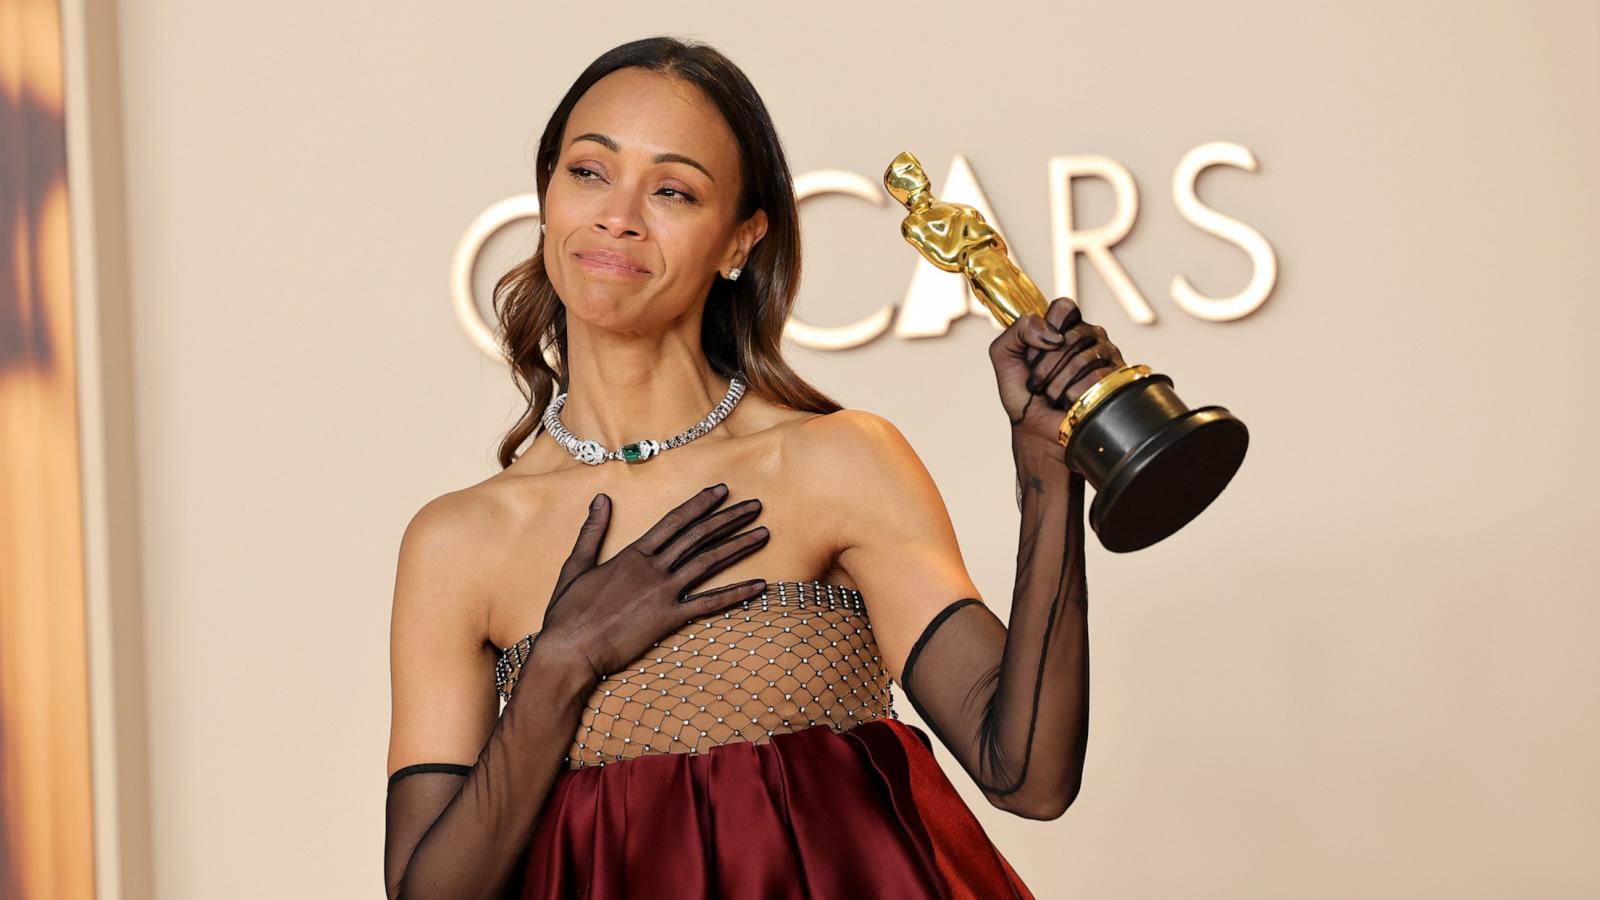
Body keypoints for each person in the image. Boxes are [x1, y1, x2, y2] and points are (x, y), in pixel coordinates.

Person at [384, 35, 1125, 900]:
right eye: (589, 172)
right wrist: (562, 661)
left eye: (672, 190)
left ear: (740, 239)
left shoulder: (837, 462)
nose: (618, 215)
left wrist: (1047, 475)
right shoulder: (459, 542)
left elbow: (1028, 775)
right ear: (547, 194)